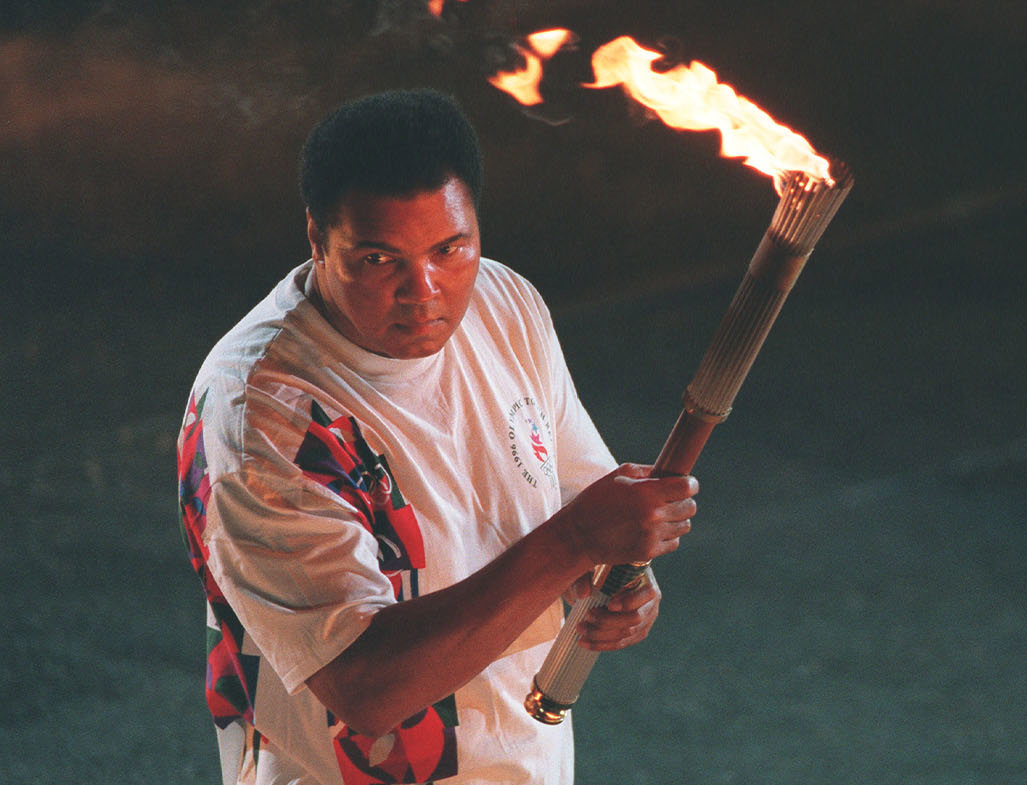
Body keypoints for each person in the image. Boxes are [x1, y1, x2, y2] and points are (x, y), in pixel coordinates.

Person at [177, 88, 697, 785]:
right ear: (317, 239)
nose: (424, 291)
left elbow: (577, 494)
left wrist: (617, 574)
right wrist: (577, 538)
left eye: (450, 248)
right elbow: (365, 688)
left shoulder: (504, 305)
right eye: (378, 260)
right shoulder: (268, 414)